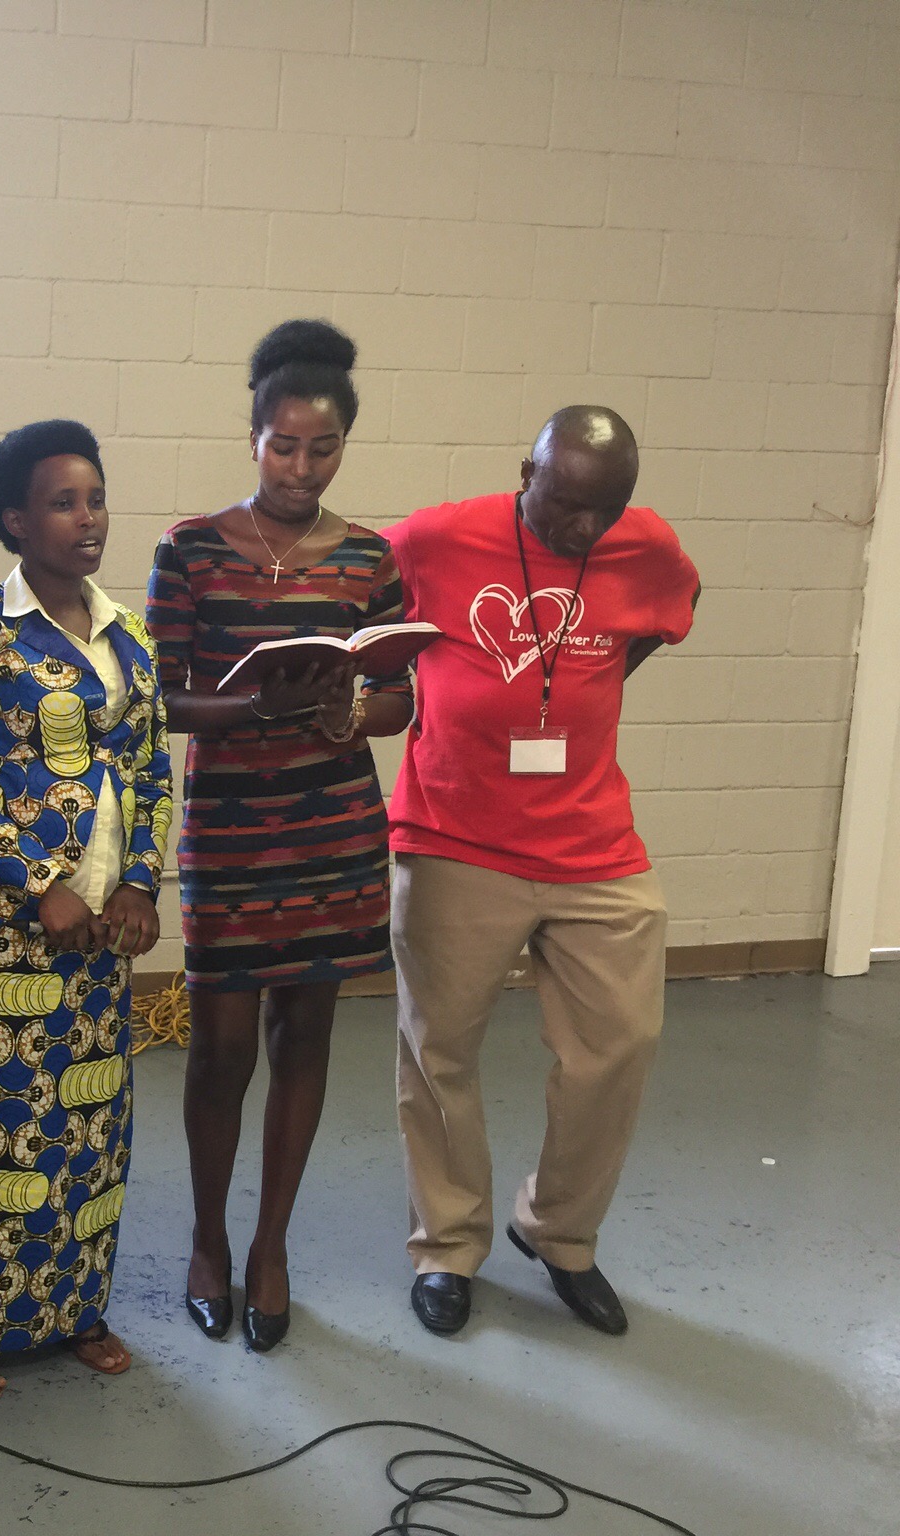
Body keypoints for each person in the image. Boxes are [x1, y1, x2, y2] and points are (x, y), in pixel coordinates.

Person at [387, 406, 700, 1339]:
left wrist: (593, 681)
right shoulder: (438, 538)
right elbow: (356, 610)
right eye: (563, 505)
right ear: (526, 472)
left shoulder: (645, 547)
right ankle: (448, 1244)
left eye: (603, 512)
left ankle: (559, 1231)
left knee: (623, 1039)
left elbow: (672, 610)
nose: (581, 529)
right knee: (440, 1051)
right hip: (453, 836)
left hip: (594, 844)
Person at [146, 320, 413, 1351]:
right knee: (219, 1051)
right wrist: (255, 708)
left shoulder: (370, 558)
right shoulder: (190, 550)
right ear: (252, 437)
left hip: (332, 830)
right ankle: (208, 1239)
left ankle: (270, 1247)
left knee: (305, 1036)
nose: (301, 469)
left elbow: (398, 697)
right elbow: (162, 699)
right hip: (228, 831)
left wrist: (356, 710)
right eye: (284, 447)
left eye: (323, 449)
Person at [0, 419, 173, 1401]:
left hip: (103, 934)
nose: (88, 519)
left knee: (90, 1128)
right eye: (63, 503)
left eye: (95, 498)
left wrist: (140, 882)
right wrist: (38, 882)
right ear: (15, 520)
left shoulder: (130, 635)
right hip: (3, 933)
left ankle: (76, 1311)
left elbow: (152, 769)